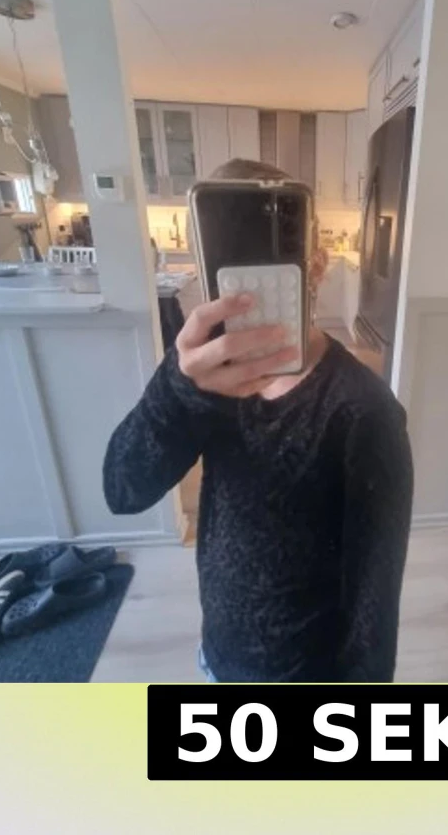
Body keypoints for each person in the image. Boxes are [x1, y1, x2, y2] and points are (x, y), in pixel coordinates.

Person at [103, 159, 414, 682]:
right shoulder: (203, 376)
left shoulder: (365, 412)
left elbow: (374, 603)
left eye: (272, 261)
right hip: (217, 655)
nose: (249, 289)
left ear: (316, 265)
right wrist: (179, 390)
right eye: (228, 263)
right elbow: (123, 490)